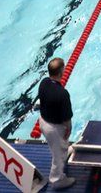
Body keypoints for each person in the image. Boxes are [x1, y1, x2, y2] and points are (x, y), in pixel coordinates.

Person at [38, 58, 75, 189]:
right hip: (53, 128)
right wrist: (69, 129)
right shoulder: (62, 94)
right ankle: (57, 180)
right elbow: (67, 119)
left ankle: (64, 153)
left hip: (43, 121)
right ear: (61, 72)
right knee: (57, 156)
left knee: (61, 147)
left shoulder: (44, 82)